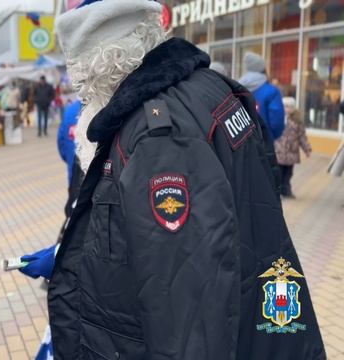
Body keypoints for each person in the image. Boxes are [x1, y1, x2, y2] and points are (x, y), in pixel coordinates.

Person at [49, 1, 325, 359]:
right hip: (258, 325)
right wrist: (75, 254)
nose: (81, 91)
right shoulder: (209, 87)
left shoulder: (156, 136)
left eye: (82, 78)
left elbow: (191, 312)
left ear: (100, 65)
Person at [239, 51, 285, 140]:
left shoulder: (237, 87)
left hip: (242, 143)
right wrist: (272, 137)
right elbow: (277, 122)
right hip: (264, 142)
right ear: (262, 68)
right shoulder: (271, 91)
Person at [275, 97, 312, 198]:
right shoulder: (278, 118)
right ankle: (278, 192)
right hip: (279, 152)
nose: (288, 109)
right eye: (286, 106)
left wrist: (307, 149)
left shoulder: (297, 121)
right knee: (279, 173)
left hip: (292, 153)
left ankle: (286, 190)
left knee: (288, 174)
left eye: (290, 107)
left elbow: (302, 136)